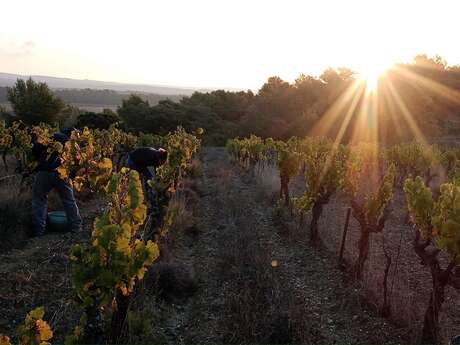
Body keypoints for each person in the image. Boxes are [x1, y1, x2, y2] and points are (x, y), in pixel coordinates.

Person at [30, 129, 82, 236]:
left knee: (39, 199)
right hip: (61, 173)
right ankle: (76, 227)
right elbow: (78, 161)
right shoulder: (72, 144)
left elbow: (35, 151)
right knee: (69, 200)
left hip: (43, 172)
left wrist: (42, 159)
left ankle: (39, 230)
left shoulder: (48, 138)